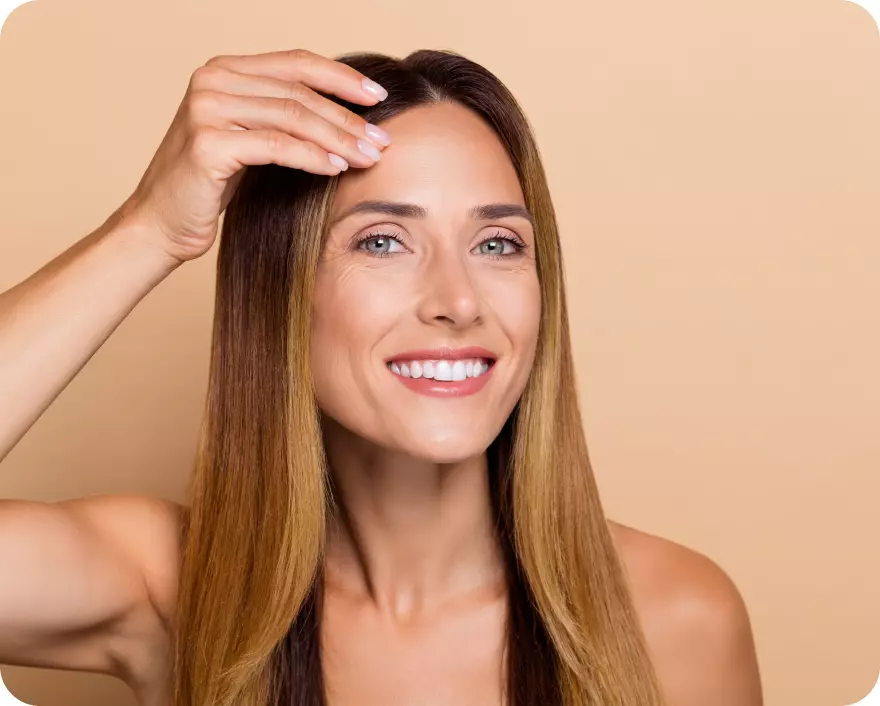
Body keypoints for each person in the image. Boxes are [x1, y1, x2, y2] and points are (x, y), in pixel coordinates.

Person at [0, 47, 763, 706]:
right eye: (384, 242)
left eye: (497, 244)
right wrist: (150, 228)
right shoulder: (169, 589)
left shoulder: (676, 617)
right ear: (282, 293)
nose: (458, 301)